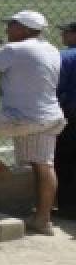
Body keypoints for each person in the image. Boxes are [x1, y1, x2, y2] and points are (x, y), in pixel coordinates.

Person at [0, 11, 67, 234]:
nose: (8, 29)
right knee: (44, 165)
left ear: (25, 29)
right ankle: (43, 219)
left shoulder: (14, 49)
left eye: (12, 25)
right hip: (50, 116)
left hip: (23, 117)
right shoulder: (52, 49)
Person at [56, 21, 76, 217]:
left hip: (71, 112)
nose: (63, 36)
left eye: (66, 32)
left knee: (65, 159)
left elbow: (56, 86)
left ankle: (68, 207)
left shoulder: (65, 56)